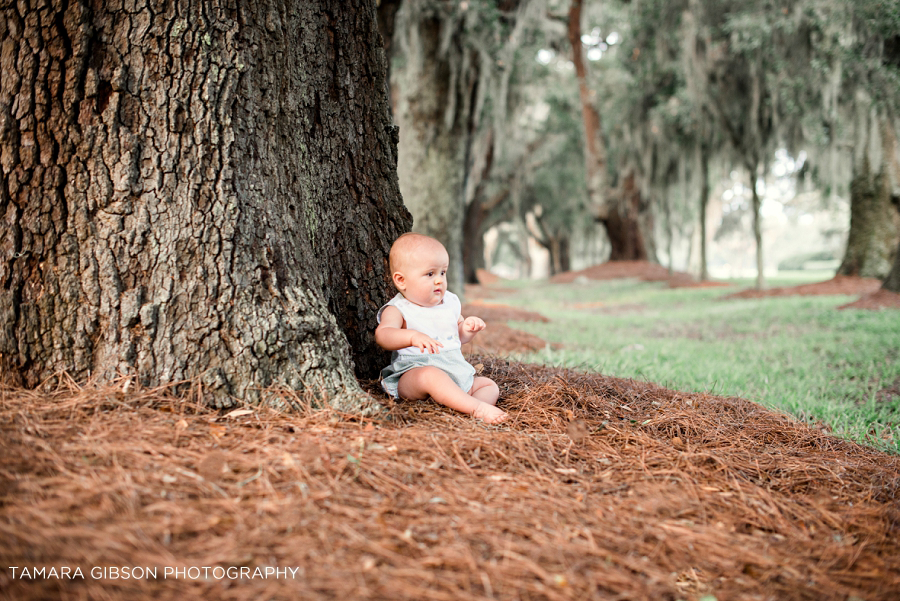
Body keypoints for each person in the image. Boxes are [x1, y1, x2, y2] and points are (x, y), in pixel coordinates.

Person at [375, 233, 508, 424]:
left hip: (454, 372)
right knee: (431, 375)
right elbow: (383, 335)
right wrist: (412, 337)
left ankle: (464, 411)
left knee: (489, 385)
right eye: (430, 274)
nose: (439, 280)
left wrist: (467, 329)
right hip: (415, 373)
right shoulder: (399, 308)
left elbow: (457, 337)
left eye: (442, 273)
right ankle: (476, 408)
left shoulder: (450, 303)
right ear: (401, 280)